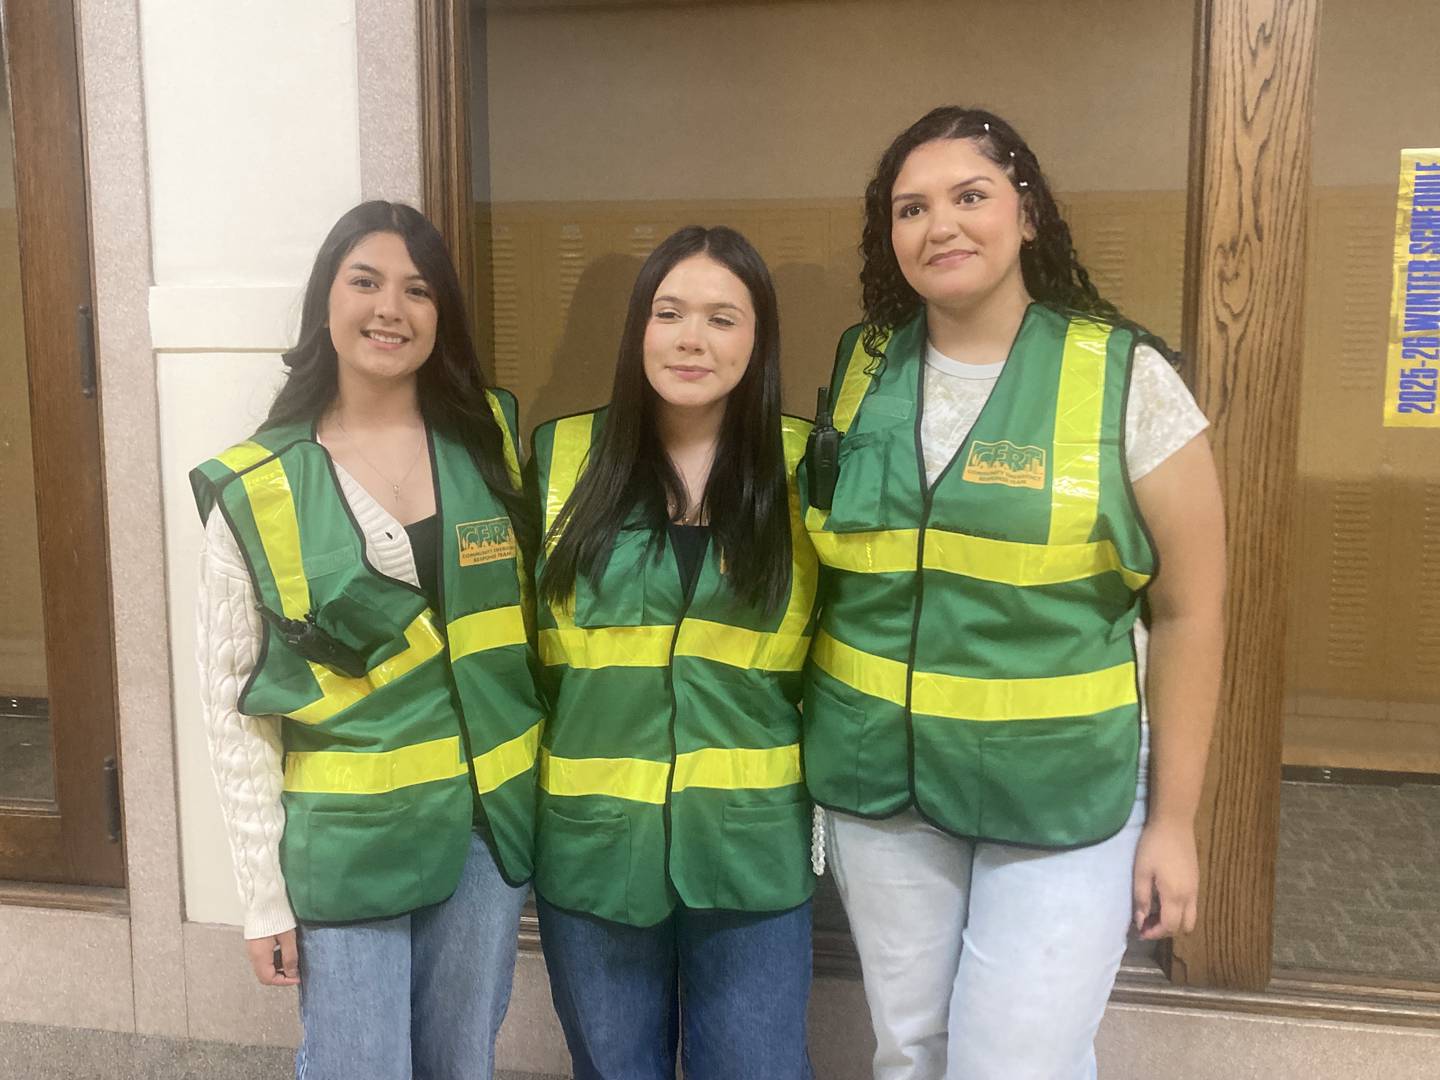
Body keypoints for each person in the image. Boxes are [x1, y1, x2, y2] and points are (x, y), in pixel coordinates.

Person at [801, 107, 1226, 1079]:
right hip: (883, 791)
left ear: (1028, 215)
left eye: (970, 196)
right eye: (911, 208)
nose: (939, 225)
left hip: (1059, 794)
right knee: (910, 1052)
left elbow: (1192, 610)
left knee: (1015, 1064)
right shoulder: (861, 369)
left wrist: (1175, 821)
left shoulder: (1127, 379)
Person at [191, 201, 545, 1079]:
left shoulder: (487, 444)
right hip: (348, 842)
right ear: (326, 303)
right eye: (367, 282)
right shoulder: (262, 485)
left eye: (418, 290)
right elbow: (230, 707)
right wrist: (261, 898)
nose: (392, 308)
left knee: (461, 1063)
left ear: (442, 318)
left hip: (484, 831)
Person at [528, 225, 818, 1080]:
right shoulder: (558, 458)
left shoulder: (809, 468)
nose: (692, 338)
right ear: (638, 332)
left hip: (752, 850)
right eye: (670, 312)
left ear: (758, 341)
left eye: (724, 318)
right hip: (591, 846)